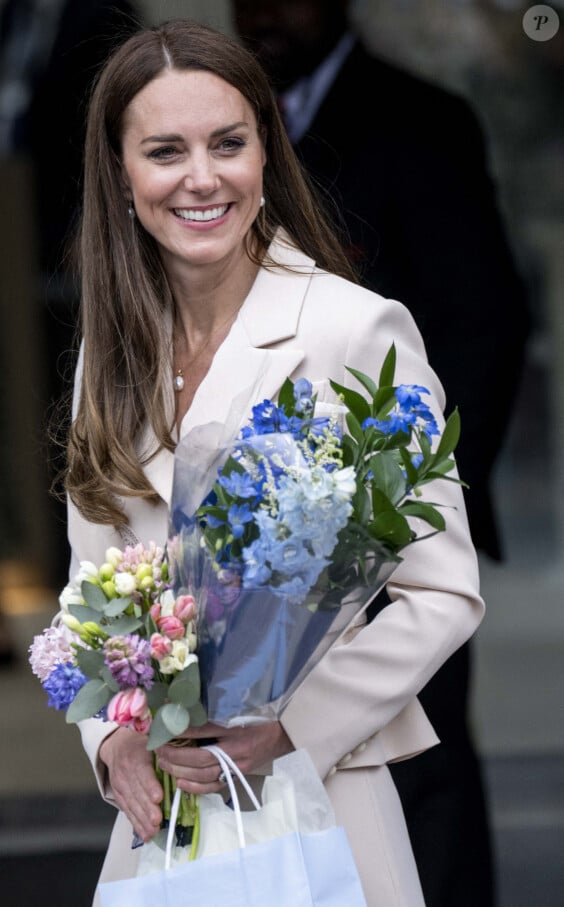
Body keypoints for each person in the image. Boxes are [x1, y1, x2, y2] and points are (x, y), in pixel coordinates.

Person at [60, 18, 484, 906]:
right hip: (162, 820)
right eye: (165, 150)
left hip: (319, 801)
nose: (201, 177)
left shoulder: (354, 329)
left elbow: (443, 589)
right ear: (121, 173)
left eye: (228, 143)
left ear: (267, 150)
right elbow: (88, 591)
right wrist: (112, 738)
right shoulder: (111, 351)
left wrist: (289, 727)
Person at [231, 2, 530, 903]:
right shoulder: (229, 122)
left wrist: (407, 502)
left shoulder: (420, 118)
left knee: (420, 760)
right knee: (263, 767)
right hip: (247, 528)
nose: (266, 13)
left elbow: (483, 323)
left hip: (387, 515)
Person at [0, 0, 142, 588]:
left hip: (86, 252)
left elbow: (109, 141)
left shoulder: (101, 13)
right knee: (40, 416)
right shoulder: (14, 15)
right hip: (18, 241)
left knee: (92, 416)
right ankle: (59, 570)